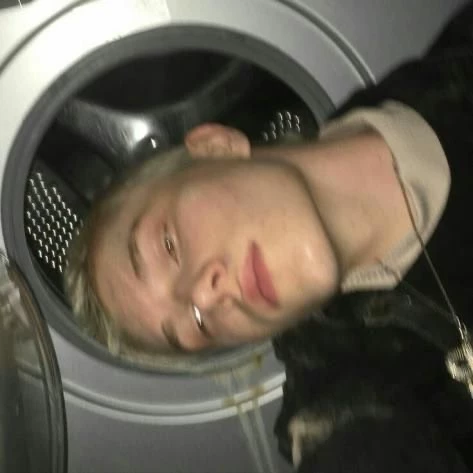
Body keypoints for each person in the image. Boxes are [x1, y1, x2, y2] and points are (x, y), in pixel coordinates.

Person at [65, 2, 473, 471]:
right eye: (198, 324)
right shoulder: (350, 404)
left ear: (216, 148)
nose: (206, 296)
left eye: (169, 246)